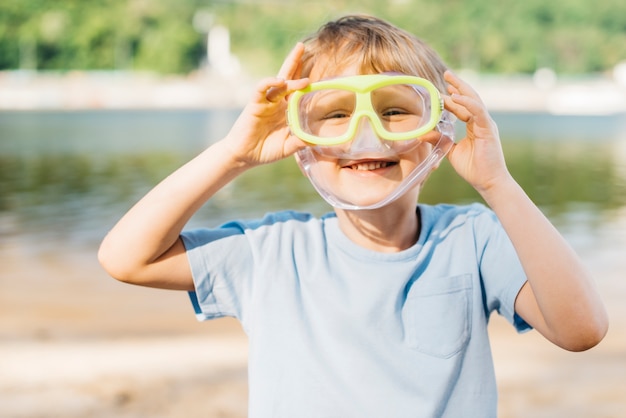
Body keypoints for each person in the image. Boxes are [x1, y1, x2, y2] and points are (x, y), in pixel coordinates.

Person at [98, 14, 608, 418]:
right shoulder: (272, 251)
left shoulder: (472, 238)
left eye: (394, 110)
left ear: (438, 131)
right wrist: (235, 154)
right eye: (335, 114)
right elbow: (126, 259)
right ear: (300, 141)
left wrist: (498, 183)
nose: (366, 136)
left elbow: (581, 330)